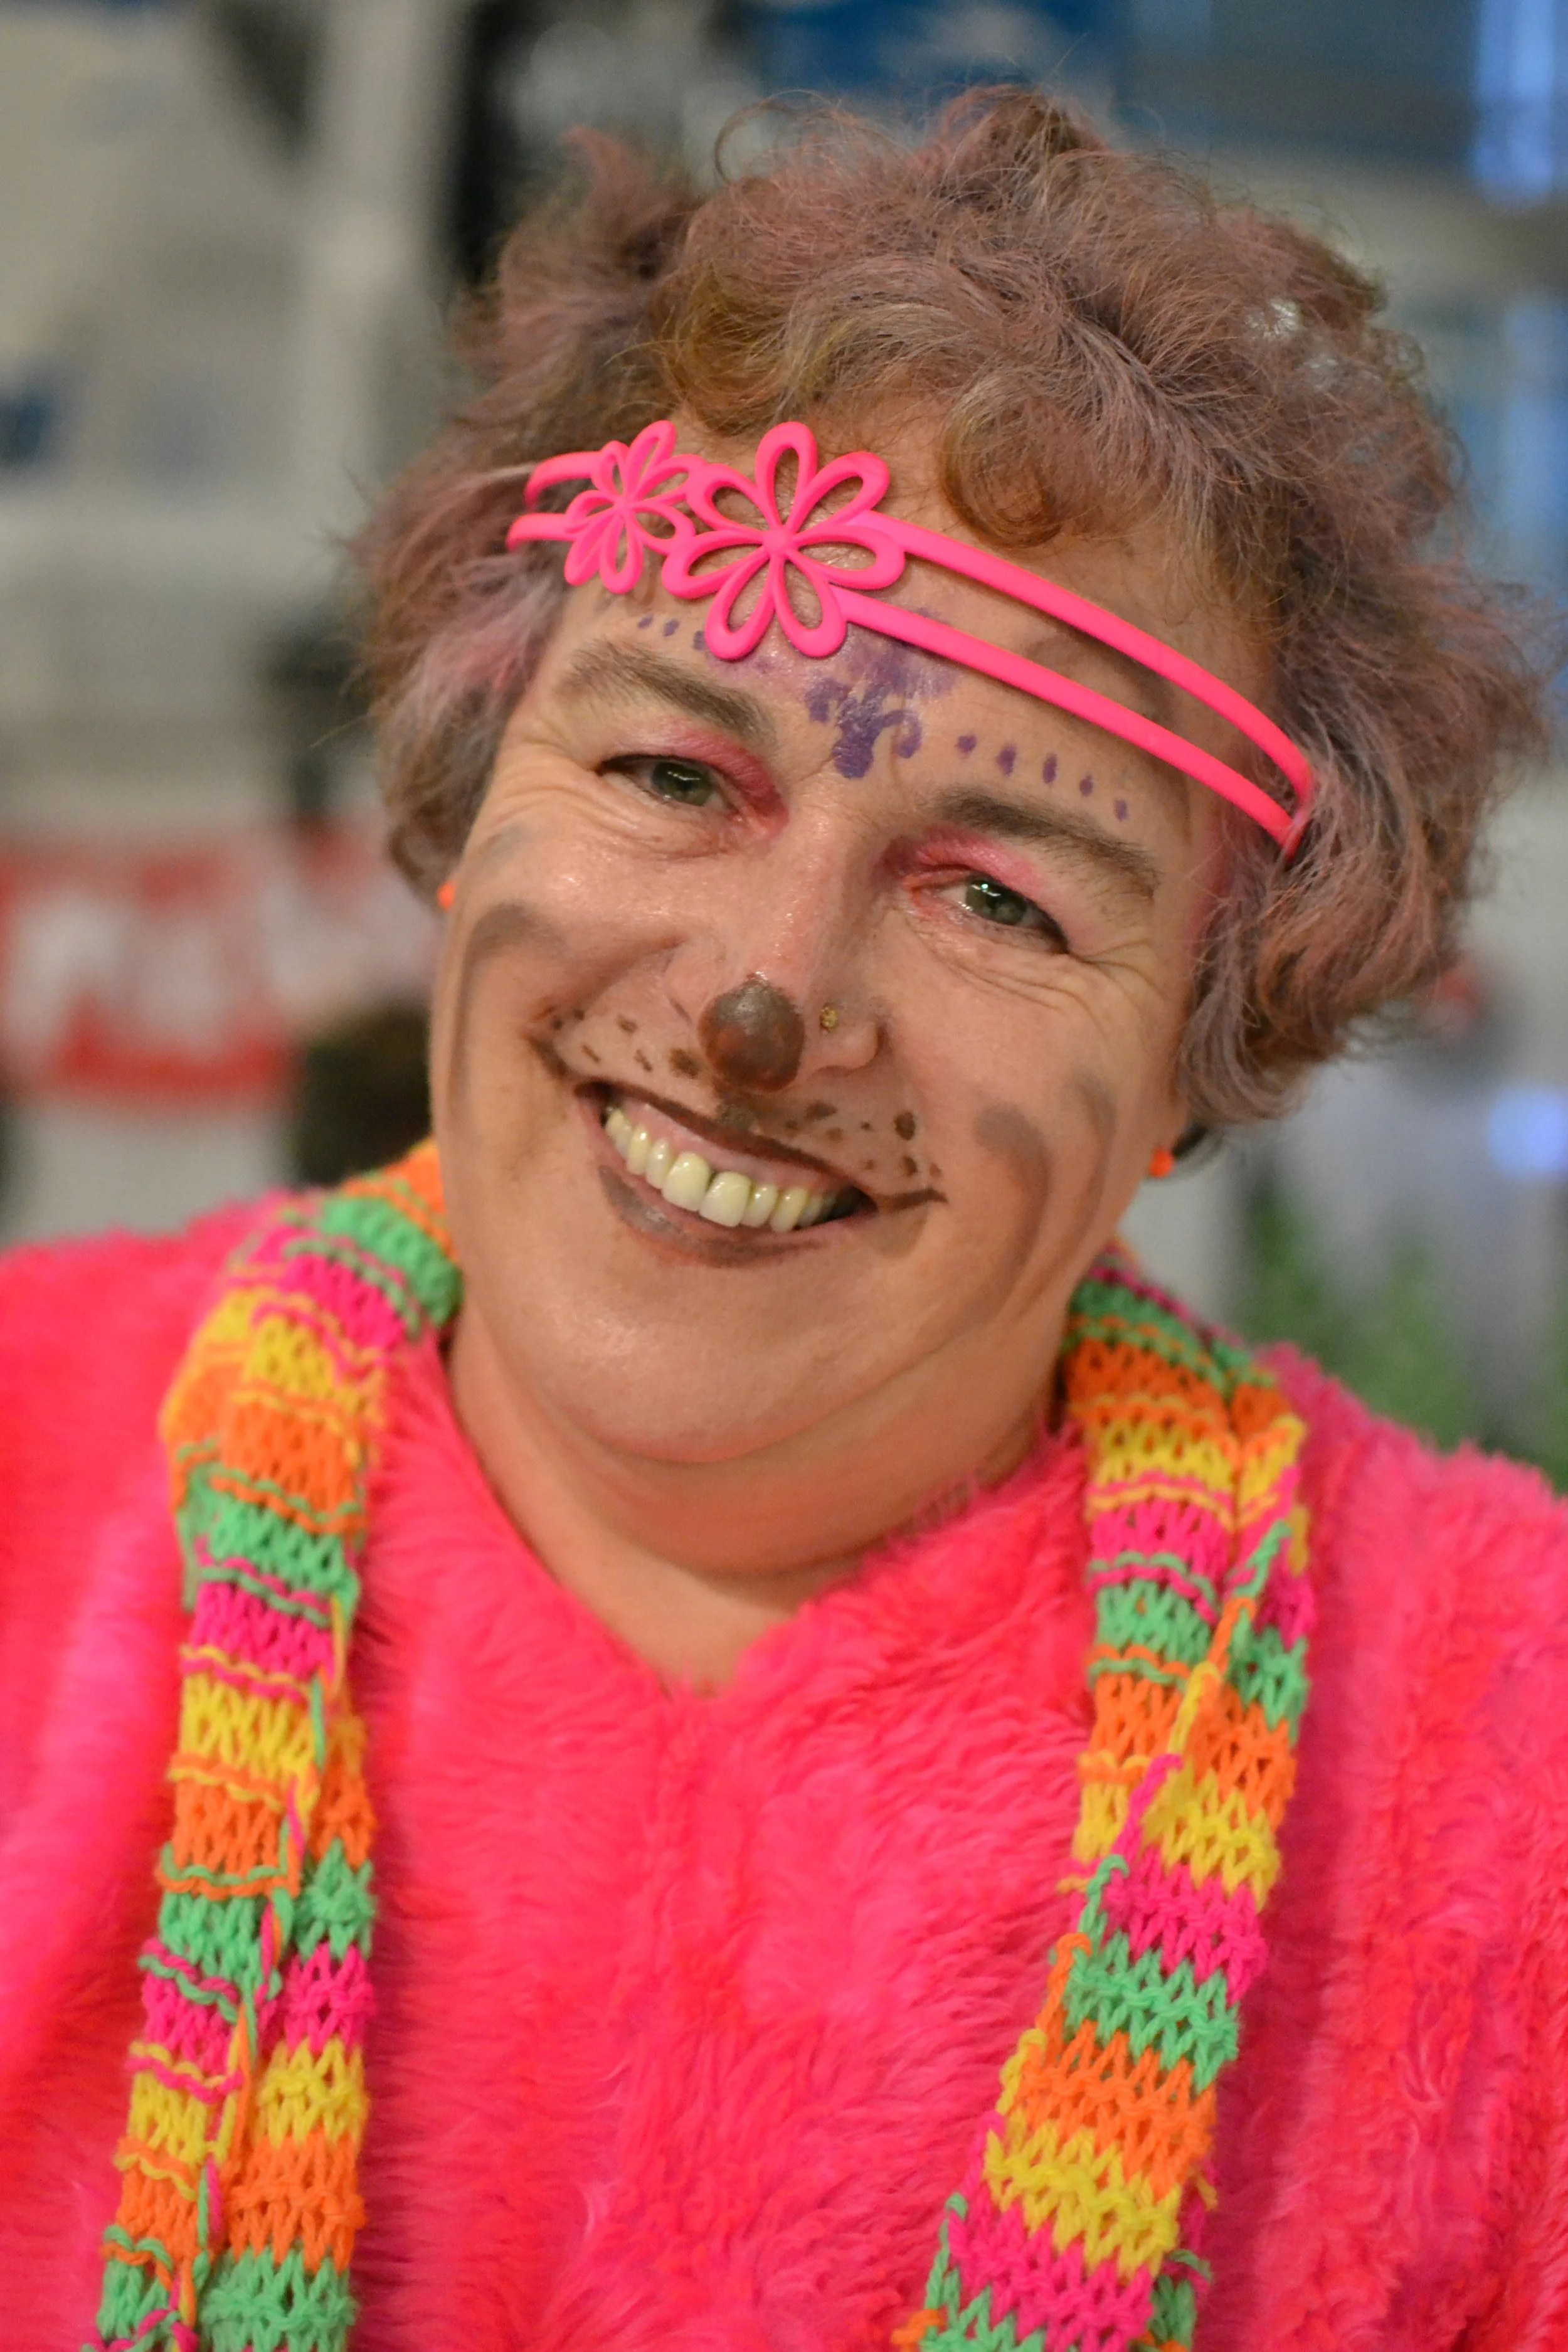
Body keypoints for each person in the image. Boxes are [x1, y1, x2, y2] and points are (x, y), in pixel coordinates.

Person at [3, 88, 1564, 2352]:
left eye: (998, 897)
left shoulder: (1503, 1761)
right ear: (466, 789)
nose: (764, 1001)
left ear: (1191, 1064)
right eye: (670, 772)